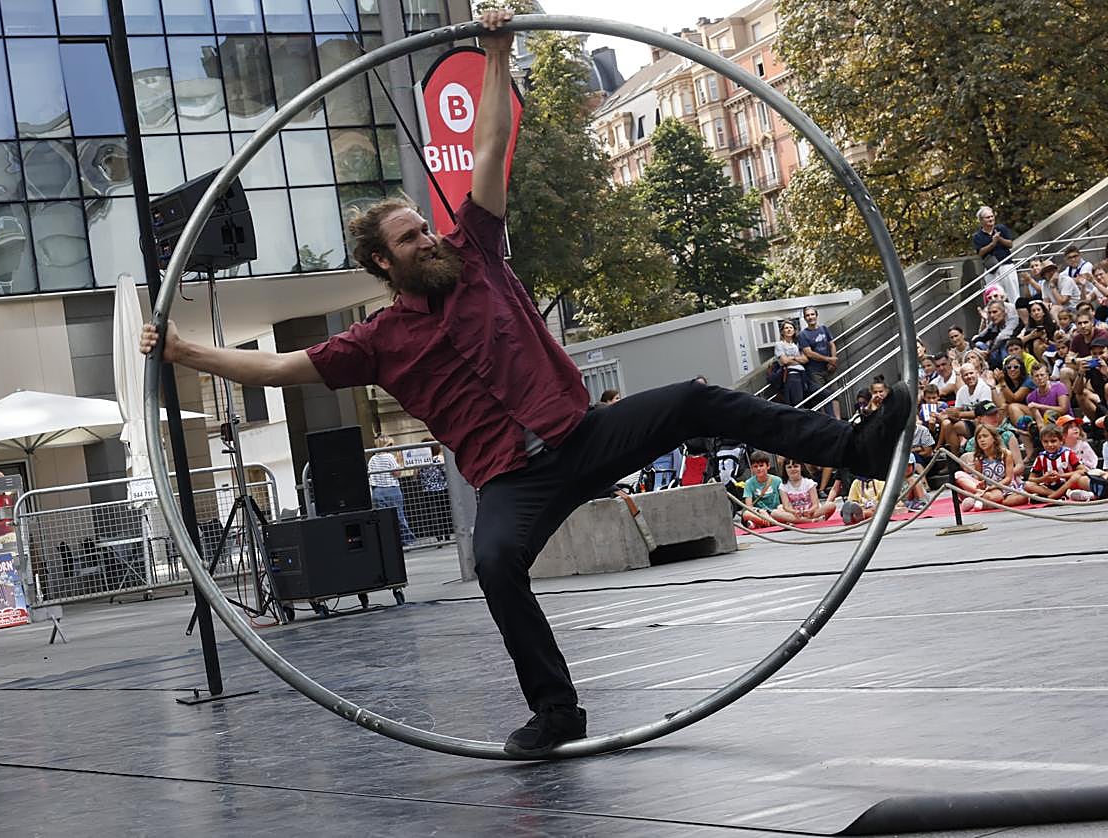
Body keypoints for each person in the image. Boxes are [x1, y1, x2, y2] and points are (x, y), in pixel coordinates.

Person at [139, 8, 912, 758]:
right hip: (513, 479)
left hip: (581, 433)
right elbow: (276, 368)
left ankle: (859, 451)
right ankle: (557, 712)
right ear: (384, 263)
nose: (429, 235)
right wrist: (183, 352)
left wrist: (496, 51)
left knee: (697, 399)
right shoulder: (375, 342)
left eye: (425, 224)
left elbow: (489, 142)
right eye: (411, 236)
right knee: (495, 563)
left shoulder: (476, 248)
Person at [955, 424, 1027, 511]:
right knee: (958, 475)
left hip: (1004, 487)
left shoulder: (1006, 454)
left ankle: (985, 502)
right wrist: (981, 484)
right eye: (979, 438)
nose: (982, 440)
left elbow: (1008, 478)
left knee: (1023, 497)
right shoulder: (978, 458)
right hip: (988, 490)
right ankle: (984, 498)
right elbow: (980, 478)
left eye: (985, 436)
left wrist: (994, 486)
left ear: (994, 438)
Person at [367, 436, 416, 547]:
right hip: (391, 489)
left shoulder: (372, 459)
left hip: (377, 490)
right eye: (391, 445)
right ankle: (407, 540)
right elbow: (396, 473)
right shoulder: (389, 457)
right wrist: (399, 461)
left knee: (383, 518)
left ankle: (388, 541)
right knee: (399, 516)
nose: (392, 447)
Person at [1025, 424, 1091, 501]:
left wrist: (1061, 475)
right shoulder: (1041, 457)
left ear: (1061, 441)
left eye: (1053, 441)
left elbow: (1083, 470)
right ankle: (1057, 494)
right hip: (1049, 487)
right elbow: (1031, 478)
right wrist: (1043, 478)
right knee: (1027, 485)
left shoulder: (1068, 453)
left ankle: (1053, 496)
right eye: (1045, 442)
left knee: (1076, 476)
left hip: (1067, 485)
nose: (1049, 445)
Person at [797, 306, 840, 417]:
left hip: (830, 368)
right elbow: (809, 353)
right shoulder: (803, 335)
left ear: (816, 315)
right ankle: (828, 422)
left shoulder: (824, 329)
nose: (810, 317)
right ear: (805, 318)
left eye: (812, 314)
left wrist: (833, 362)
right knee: (822, 396)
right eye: (808, 315)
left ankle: (839, 421)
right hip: (815, 371)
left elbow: (832, 344)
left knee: (835, 394)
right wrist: (829, 359)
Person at [972, 206, 1019, 303]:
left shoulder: (1001, 228)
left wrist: (999, 239)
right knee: (994, 295)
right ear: (981, 220)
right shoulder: (977, 236)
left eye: (991, 216)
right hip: (991, 269)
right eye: (987, 217)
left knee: (1013, 294)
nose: (990, 219)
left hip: (1006, 265)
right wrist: (992, 244)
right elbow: (980, 252)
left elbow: (1010, 244)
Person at [772, 460, 837, 524]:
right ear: (785, 469)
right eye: (789, 467)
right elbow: (786, 507)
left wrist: (809, 511)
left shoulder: (809, 483)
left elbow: (815, 504)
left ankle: (798, 521)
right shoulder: (783, 486)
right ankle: (809, 521)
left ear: (801, 468)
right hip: (794, 515)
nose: (792, 469)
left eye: (795, 466)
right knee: (775, 512)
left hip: (811, 513)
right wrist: (794, 512)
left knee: (831, 505)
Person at [739, 451, 782, 528]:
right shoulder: (749, 483)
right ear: (752, 468)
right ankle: (772, 522)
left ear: (768, 466)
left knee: (780, 510)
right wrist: (760, 511)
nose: (759, 469)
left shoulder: (777, 480)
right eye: (755, 466)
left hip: (775, 512)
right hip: (759, 513)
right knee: (746, 514)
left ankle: (761, 523)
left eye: (761, 466)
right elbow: (749, 506)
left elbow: (783, 502)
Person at [773, 320, 807, 406]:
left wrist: (793, 358)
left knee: (802, 400)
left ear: (794, 330)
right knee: (797, 403)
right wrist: (798, 361)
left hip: (802, 375)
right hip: (791, 375)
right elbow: (784, 361)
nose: (789, 330)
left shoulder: (797, 345)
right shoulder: (779, 344)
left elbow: (805, 360)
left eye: (791, 328)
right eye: (786, 328)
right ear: (782, 331)